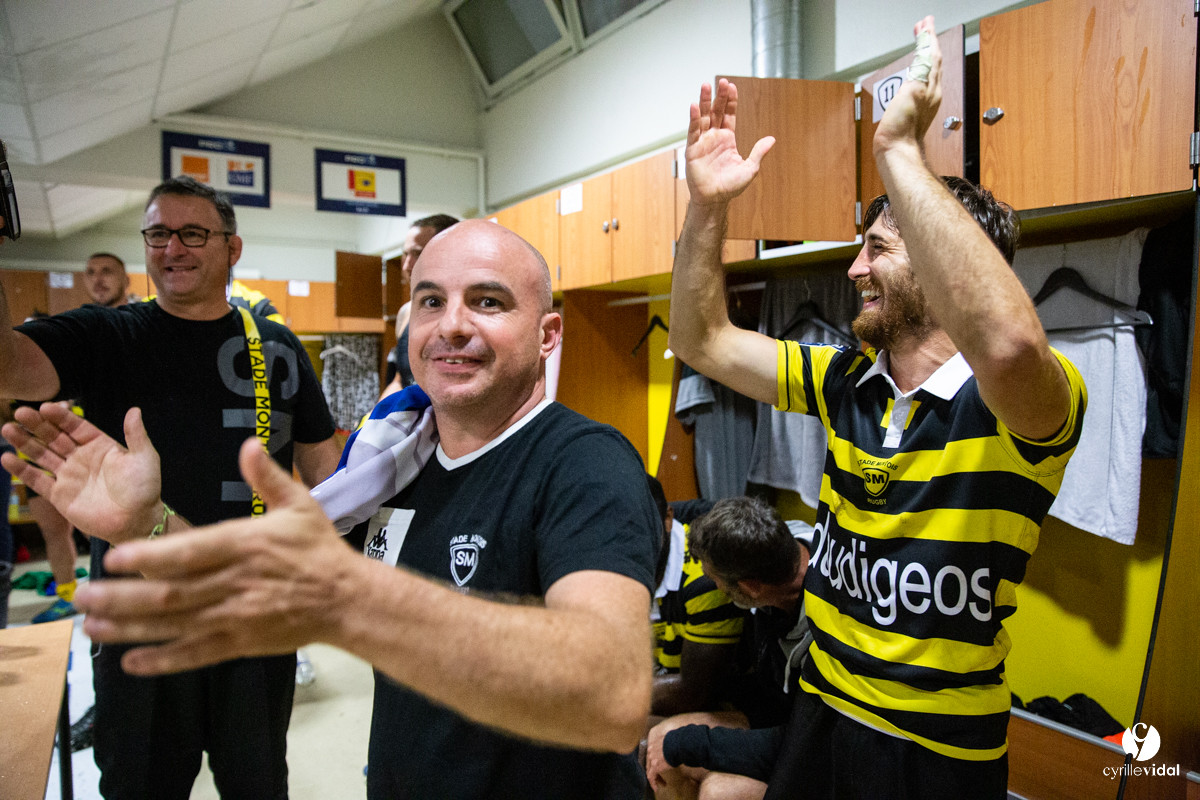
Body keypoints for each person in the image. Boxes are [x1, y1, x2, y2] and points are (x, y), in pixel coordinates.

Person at [9, 218, 661, 800]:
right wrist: (145, 523)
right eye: (431, 301)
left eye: (488, 301)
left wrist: (352, 602)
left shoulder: (585, 462)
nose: (452, 325)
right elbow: (261, 590)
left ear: (548, 335)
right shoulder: (392, 464)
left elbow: (613, 696)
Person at [667, 18, 1087, 799]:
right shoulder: (843, 379)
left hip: (931, 744)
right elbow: (701, 340)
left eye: (880, 248)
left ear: (939, 262)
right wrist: (706, 210)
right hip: (820, 701)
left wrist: (899, 152)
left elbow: (1006, 345)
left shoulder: (1021, 396)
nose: (855, 268)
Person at [0, 174, 341, 800]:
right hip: (141, 611)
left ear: (233, 248)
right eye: (158, 234)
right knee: (140, 786)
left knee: (258, 783)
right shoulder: (108, 335)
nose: (172, 248)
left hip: (251, 606)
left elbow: (327, 474)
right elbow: (10, 365)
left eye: (192, 234)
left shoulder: (276, 346)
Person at [646, 497, 813, 800]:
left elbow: (809, 742)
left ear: (750, 587)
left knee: (719, 791)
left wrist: (696, 743)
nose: (715, 588)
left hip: (816, 745)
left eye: (714, 580)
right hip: (775, 711)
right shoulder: (777, 542)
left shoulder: (826, 626)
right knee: (663, 740)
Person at [25, 255, 129, 624]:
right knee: (53, 525)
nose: (98, 279)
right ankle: (68, 594)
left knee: (113, 530)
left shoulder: (139, 328)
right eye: (91, 272)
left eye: (107, 271)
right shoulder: (77, 329)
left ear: (126, 279)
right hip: (64, 446)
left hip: (120, 451)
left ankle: (119, 600)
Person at [648, 476, 745, 719]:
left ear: (668, 519)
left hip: (710, 708)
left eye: (639, 529)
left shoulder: (705, 577)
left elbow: (693, 693)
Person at [380, 213, 459, 397]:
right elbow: (401, 379)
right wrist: (377, 412)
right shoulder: (406, 313)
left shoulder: (466, 315)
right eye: (405, 254)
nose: (407, 265)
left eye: (418, 253)